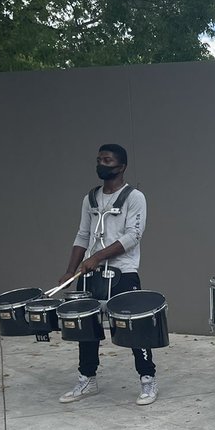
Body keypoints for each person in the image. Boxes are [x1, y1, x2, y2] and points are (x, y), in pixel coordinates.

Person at [59, 144, 158, 406]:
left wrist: (97, 257)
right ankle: (87, 378)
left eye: (107, 160)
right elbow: (83, 234)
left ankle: (147, 379)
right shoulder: (90, 198)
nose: (101, 163)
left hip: (123, 273)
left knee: (135, 327)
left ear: (122, 166)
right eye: (99, 159)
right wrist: (71, 270)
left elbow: (133, 236)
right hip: (91, 274)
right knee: (86, 329)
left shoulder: (135, 197)